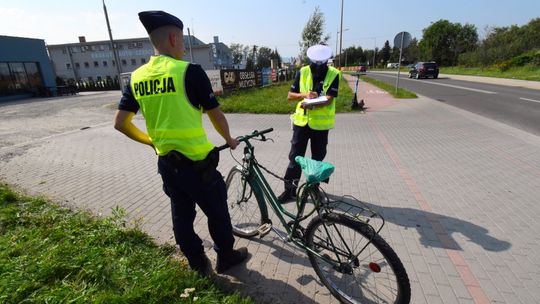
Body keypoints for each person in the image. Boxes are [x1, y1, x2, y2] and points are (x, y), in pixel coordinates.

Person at [113, 10, 247, 275]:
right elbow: (216, 115)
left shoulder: (136, 78)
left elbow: (120, 123)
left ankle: (197, 262)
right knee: (218, 214)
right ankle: (226, 258)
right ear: (174, 39)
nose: (184, 48)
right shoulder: (189, 72)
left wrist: (150, 141)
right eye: (183, 42)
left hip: (168, 165)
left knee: (181, 217)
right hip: (200, 166)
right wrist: (229, 139)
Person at [278, 44, 340, 203]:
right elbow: (290, 96)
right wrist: (305, 95)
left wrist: (311, 104)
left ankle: (313, 189)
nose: (318, 66)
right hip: (302, 124)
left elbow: (329, 99)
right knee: (295, 158)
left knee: (317, 159)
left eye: (322, 63)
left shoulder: (334, 74)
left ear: (327, 60)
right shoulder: (303, 71)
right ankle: (290, 191)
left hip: (320, 126)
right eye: (315, 63)